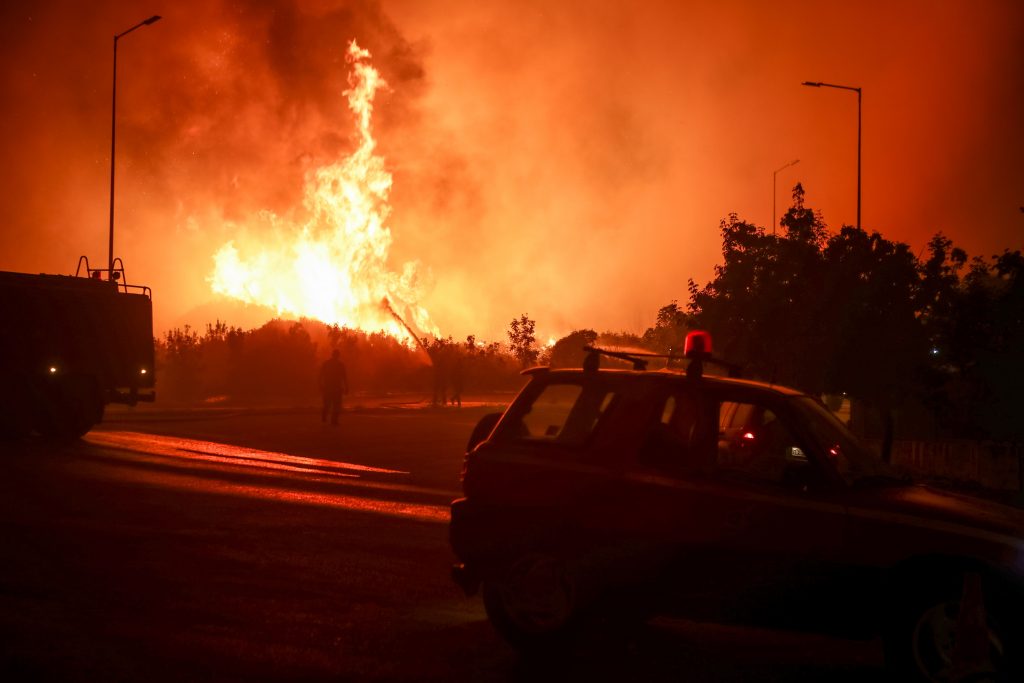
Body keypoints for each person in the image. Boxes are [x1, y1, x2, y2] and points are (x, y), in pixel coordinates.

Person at [319, 349, 348, 426]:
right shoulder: (340, 365)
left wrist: (320, 385)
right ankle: (331, 419)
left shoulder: (327, 364)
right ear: (338, 355)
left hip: (330, 388)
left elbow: (320, 375)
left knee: (329, 404)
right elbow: (344, 377)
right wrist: (346, 387)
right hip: (335, 388)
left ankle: (328, 417)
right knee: (335, 405)